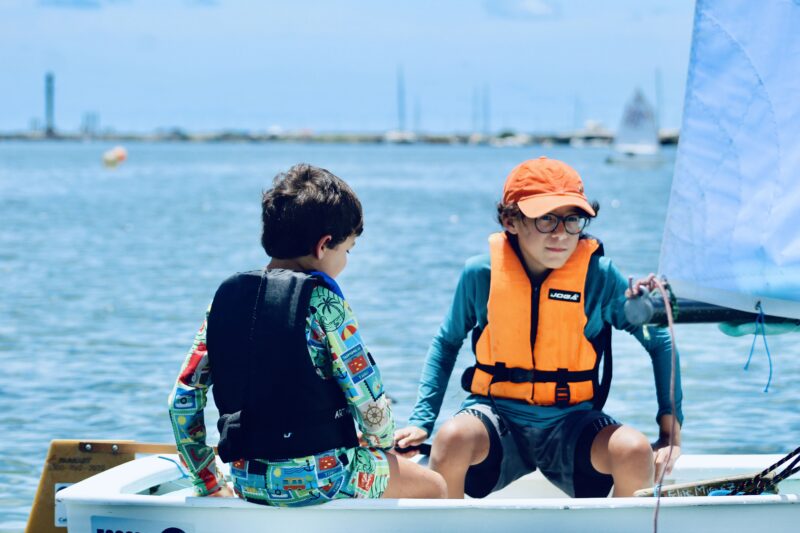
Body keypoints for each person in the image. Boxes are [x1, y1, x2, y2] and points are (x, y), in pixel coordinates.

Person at [394, 156, 682, 498]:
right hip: (497, 419)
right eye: (546, 218)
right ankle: (445, 522)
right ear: (510, 220)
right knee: (451, 438)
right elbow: (446, 343)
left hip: (572, 424)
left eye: (572, 219)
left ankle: (619, 523)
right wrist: (421, 421)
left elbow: (659, 340)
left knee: (634, 450)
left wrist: (669, 432)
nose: (560, 234)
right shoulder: (480, 274)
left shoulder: (600, 276)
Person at [169, 163, 445, 506]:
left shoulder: (224, 302)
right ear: (324, 245)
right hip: (325, 480)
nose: (346, 260)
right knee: (435, 487)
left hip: (246, 480)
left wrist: (208, 481)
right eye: (347, 250)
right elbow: (369, 400)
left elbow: (182, 402)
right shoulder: (325, 304)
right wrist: (382, 445)